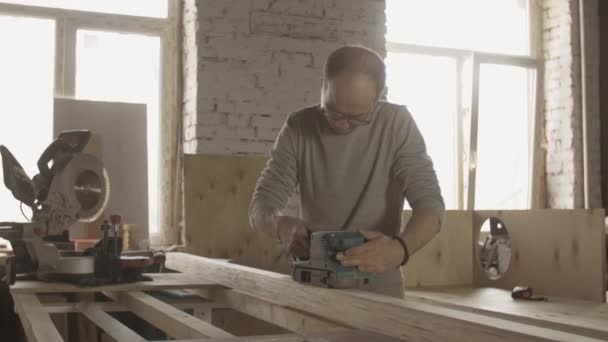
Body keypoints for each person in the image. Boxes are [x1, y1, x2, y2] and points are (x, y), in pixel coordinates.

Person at [248, 45, 445, 298]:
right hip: (314, 287)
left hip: (379, 288)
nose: (342, 125)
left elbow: (431, 206)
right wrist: (278, 225)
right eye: (333, 112)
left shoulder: (397, 124)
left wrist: (400, 250)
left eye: (357, 118)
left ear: (378, 97)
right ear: (323, 83)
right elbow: (261, 205)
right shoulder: (298, 127)